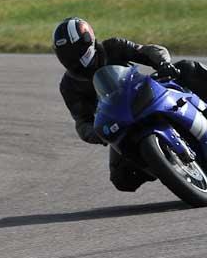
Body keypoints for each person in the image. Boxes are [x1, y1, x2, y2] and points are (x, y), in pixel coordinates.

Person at [52, 17, 207, 192]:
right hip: (120, 123)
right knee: (122, 178)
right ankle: (172, 167)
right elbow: (81, 122)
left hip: (144, 95)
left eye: (74, 51)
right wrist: (96, 133)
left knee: (188, 68)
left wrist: (163, 63)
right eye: (65, 54)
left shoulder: (113, 47)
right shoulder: (69, 86)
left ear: (88, 41)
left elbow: (150, 51)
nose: (71, 59)